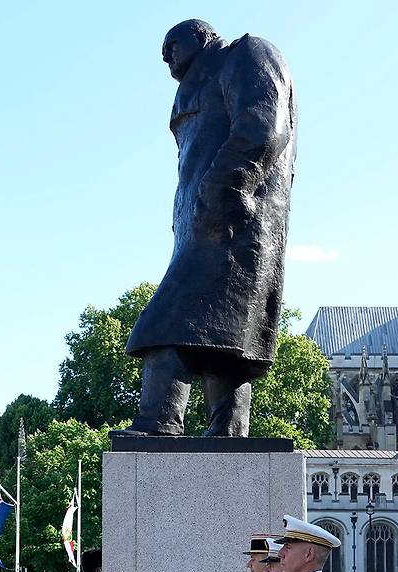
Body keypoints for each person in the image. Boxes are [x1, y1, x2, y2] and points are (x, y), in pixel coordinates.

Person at [120, 19, 296, 437]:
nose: (166, 56)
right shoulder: (196, 86)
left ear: (202, 37)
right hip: (205, 221)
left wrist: (222, 189)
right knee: (222, 332)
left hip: (237, 220)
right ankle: (229, 429)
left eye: (172, 44)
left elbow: (263, 125)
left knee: (166, 324)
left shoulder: (246, 55)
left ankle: (158, 421)